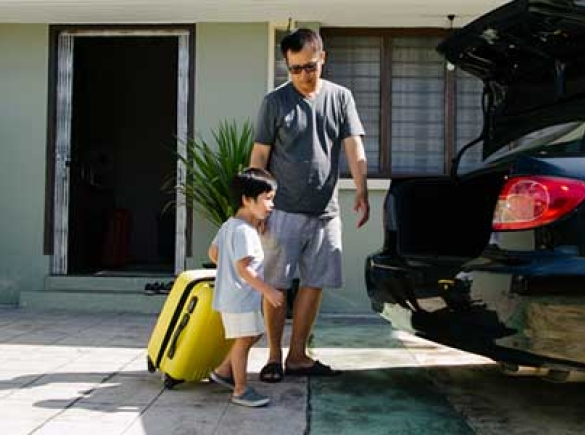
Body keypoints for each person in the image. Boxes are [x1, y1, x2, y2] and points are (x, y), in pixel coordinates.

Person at [250, 28, 369, 383]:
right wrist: (257, 206)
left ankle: (298, 356)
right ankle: (273, 357)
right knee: (275, 285)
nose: (303, 75)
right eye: (295, 68)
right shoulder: (275, 102)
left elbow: (353, 146)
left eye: (310, 67)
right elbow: (259, 154)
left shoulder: (340, 97)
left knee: (314, 284)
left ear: (323, 59)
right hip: (282, 209)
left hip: (325, 212)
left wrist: (361, 190)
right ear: (287, 66)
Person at [207, 167, 285, 407]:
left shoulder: (230, 225)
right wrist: (268, 290)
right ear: (247, 200)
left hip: (232, 297)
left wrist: (229, 269)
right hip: (240, 299)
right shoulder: (246, 232)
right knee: (243, 342)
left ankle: (223, 371)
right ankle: (240, 389)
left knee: (253, 333)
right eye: (268, 199)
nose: (271, 205)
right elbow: (245, 270)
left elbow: (213, 254)